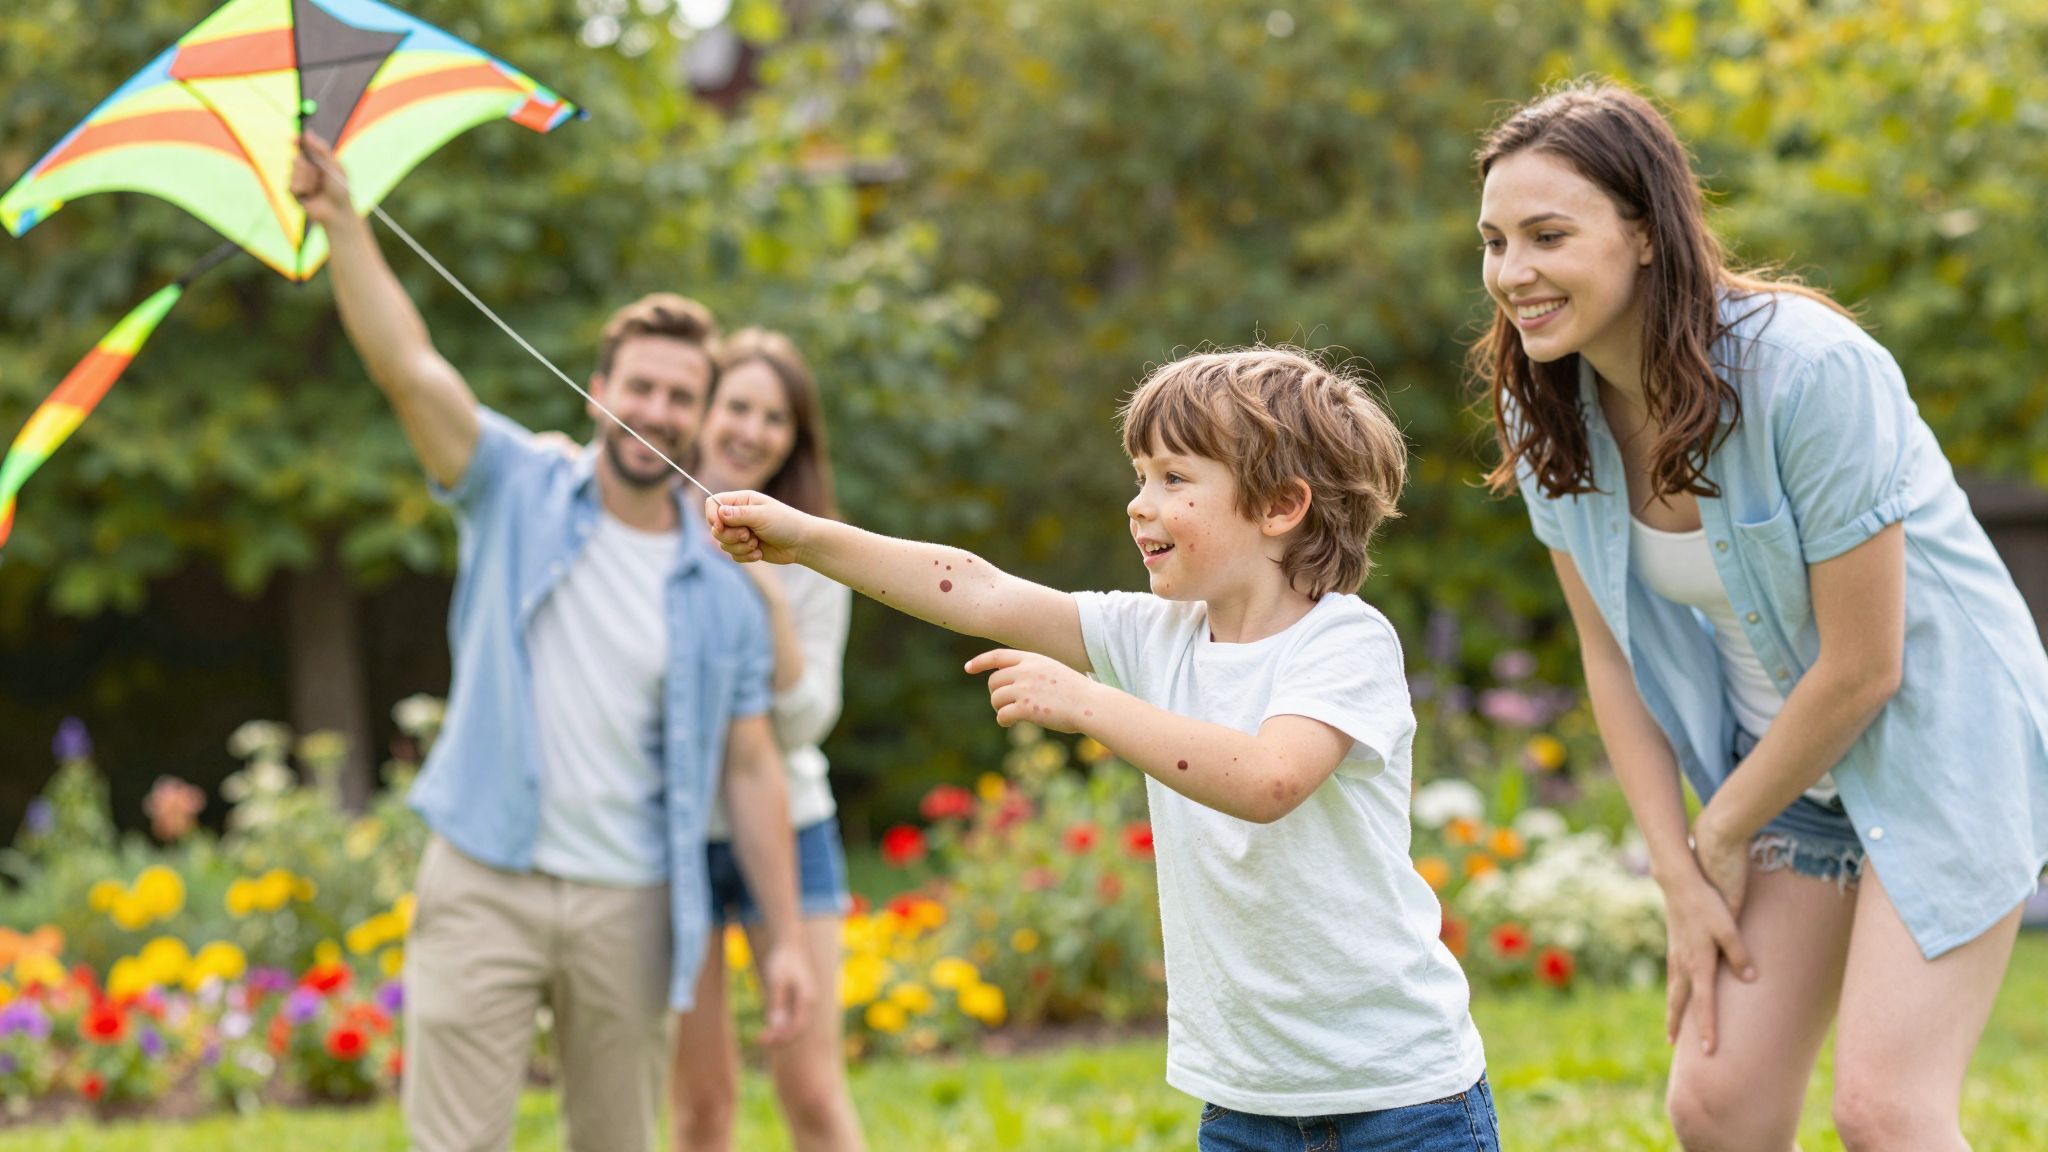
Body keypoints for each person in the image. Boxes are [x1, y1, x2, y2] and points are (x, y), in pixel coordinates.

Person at [709, 347, 1498, 1151]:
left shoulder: (1343, 641)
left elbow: (1269, 780)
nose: (1139, 505)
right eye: (1139, 477)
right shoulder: (1155, 635)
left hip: (1403, 1099)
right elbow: (979, 588)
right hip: (1246, 1100)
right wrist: (804, 538)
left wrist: (1090, 703)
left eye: (1174, 480)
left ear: (1281, 505)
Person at [1472, 80, 2048, 1152]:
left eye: (1547, 235)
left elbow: (1863, 666)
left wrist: (1719, 829)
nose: (1512, 274)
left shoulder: (1805, 370)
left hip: (1940, 753)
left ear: (1644, 233)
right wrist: (1676, 874)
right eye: (1494, 241)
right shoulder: (1544, 401)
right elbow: (1609, 659)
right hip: (1781, 778)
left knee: (1884, 1112)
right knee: (1715, 1105)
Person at [290, 133, 812, 1152]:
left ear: (699, 418)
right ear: (597, 389)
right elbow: (410, 370)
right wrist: (344, 222)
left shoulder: (726, 584)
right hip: (485, 873)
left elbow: (752, 768)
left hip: (633, 897)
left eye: (678, 395)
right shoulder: (514, 487)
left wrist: (784, 941)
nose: (654, 410)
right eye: (639, 386)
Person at [672, 329, 864, 1152]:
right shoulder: (642, 526)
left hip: (793, 827)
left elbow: (804, 721)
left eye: (774, 417)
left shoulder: (816, 547)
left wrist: (772, 591)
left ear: (794, 438)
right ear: (703, 412)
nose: (751, 430)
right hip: (674, 835)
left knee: (814, 1092)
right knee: (702, 1106)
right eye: (737, 406)